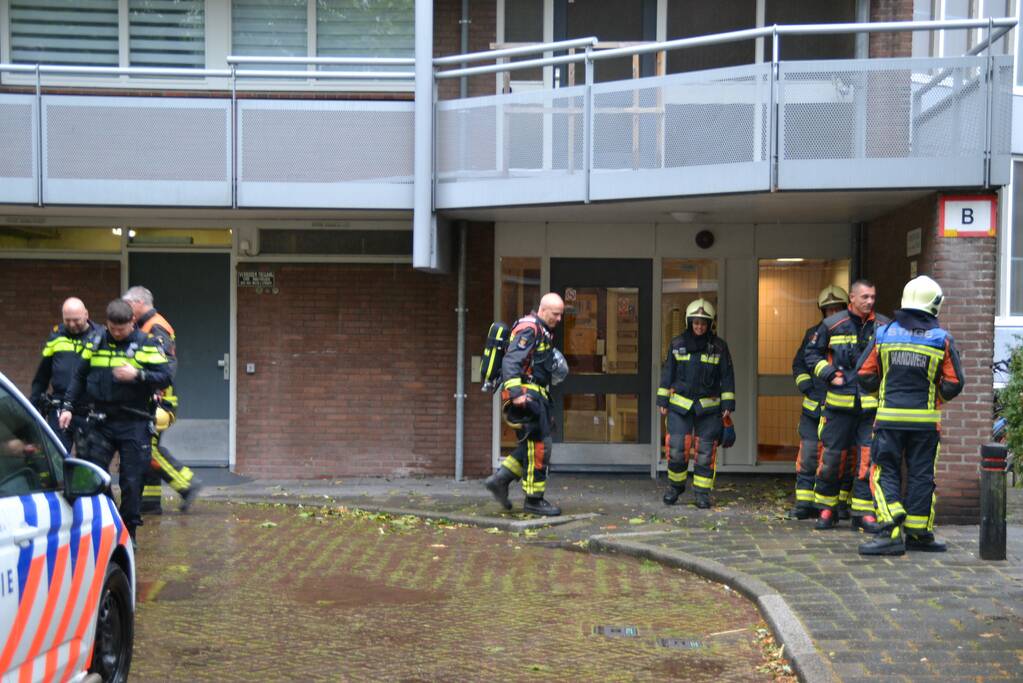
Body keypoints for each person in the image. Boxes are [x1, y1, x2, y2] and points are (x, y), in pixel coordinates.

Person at [856, 276, 965, 556]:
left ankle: (890, 529)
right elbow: (954, 384)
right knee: (921, 476)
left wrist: (884, 389)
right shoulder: (942, 339)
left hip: (889, 421)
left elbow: (865, 374)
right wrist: (934, 396)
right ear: (934, 305)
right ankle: (919, 534)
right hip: (926, 424)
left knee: (884, 471)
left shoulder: (884, 334)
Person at [59, 299, 173, 548]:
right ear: (107, 323)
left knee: (132, 481)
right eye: (112, 328)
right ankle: (110, 522)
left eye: (121, 329)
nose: (117, 333)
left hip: (134, 421)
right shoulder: (96, 341)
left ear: (132, 322)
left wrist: (138, 374)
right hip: (102, 420)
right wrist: (67, 406)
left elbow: (166, 375)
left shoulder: (146, 343)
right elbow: (79, 376)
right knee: (95, 475)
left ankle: (129, 530)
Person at [804, 279, 887, 531]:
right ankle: (827, 509)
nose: (870, 301)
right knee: (831, 459)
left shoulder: (884, 326)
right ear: (852, 297)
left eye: (873, 297)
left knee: (868, 459)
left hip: (869, 408)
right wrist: (829, 373)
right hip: (838, 407)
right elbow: (811, 355)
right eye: (865, 297)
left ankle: (863, 512)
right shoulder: (832, 325)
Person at [484, 292, 566, 516]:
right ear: (543, 309)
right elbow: (512, 361)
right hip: (525, 397)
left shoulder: (542, 331)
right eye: (556, 314)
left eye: (561, 315)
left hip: (535, 396)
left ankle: (500, 480)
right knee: (540, 447)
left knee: (532, 444)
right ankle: (533, 500)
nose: (559, 319)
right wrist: (517, 393)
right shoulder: (529, 329)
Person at [122, 285, 202, 513]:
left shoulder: (155, 327)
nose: (127, 310)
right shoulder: (145, 325)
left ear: (139, 303)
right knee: (146, 448)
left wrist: (155, 389)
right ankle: (150, 502)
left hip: (159, 401)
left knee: (148, 448)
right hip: (152, 397)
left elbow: (166, 365)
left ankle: (186, 484)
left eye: (128, 305)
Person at [657, 298, 735, 509]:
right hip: (680, 407)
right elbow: (667, 373)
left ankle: (702, 493)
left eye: (703, 323)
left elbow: (727, 377)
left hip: (709, 409)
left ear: (710, 324)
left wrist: (728, 405)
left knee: (705, 452)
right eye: (696, 322)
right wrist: (662, 399)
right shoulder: (677, 344)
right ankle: (675, 487)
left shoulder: (719, 347)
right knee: (676, 448)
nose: (699, 326)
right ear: (689, 322)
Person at [788, 286, 848, 520]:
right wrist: (807, 387)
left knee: (837, 459)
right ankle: (804, 504)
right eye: (828, 310)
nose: (832, 313)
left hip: (839, 410)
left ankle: (838, 505)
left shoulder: (853, 334)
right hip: (814, 409)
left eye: (837, 309)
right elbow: (800, 365)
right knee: (809, 455)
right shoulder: (812, 334)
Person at [30, 297, 101, 452]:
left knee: (90, 461)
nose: (71, 324)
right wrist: (33, 407)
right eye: (67, 320)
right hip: (59, 407)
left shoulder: (100, 337)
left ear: (86, 315)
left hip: (89, 409)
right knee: (57, 457)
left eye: (76, 320)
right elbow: (42, 375)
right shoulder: (56, 336)